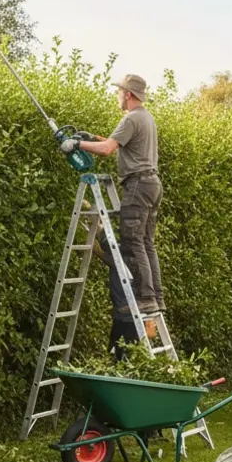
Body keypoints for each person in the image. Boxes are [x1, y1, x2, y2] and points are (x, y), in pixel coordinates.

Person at [64, 73, 164, 315]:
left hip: (138, 186)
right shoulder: (145, 117)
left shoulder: (131, 118)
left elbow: (108, 149)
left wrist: (76, 145)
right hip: (152, 184)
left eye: (120, 91)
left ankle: (146, 299)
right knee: (147, 243)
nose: (118, 95)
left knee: (132, 243)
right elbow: (114, 142)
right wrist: (90, 138)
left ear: (128, 94)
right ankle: (156, 298)